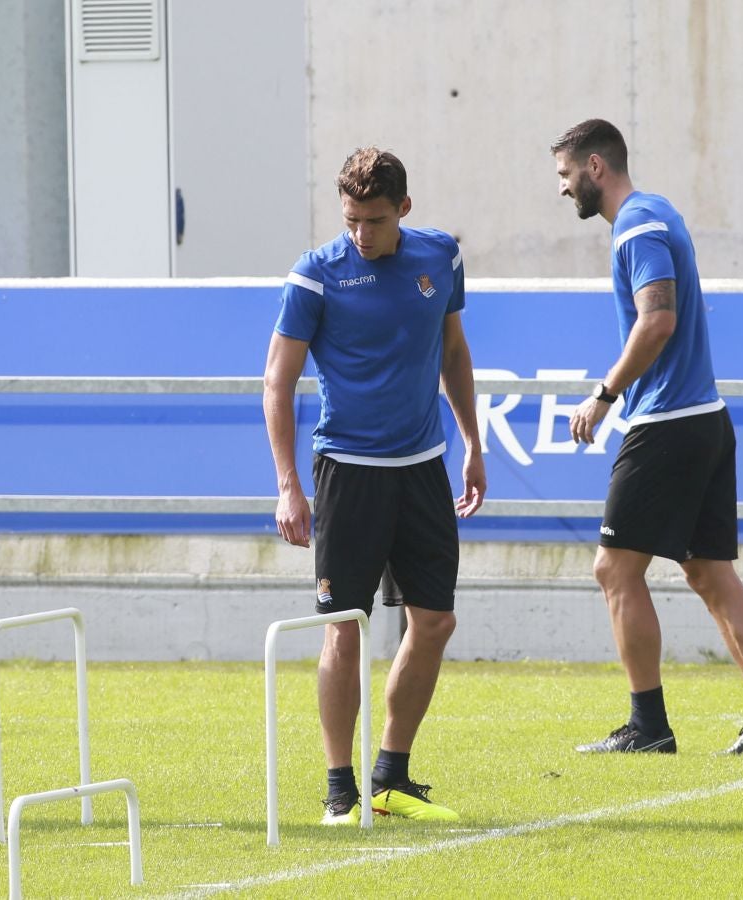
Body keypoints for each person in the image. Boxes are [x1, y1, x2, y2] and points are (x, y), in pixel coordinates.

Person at [550, 118, 743, 754]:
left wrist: (604, 395)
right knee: (710, 574)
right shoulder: (658, 212)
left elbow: (657, 320)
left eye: (565, 175)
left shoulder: (636, 224)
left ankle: (647, 726)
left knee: (613, 570)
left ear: (596, 167)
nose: (562, 189)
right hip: (705, 422)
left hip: (668, 423)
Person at [263, 147, 485, 825]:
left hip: (422, 469)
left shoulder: (439, 258)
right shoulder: (314, 276)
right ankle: (339, 788)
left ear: (405, 211)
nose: (361, 233)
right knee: (344, 632)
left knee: (436, 621)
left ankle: (391, 777)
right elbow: (277, 381)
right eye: (352, 218)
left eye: (376, 219)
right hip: (347, 475)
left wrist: (474, 443)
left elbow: (453, 351)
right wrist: (287, 485)